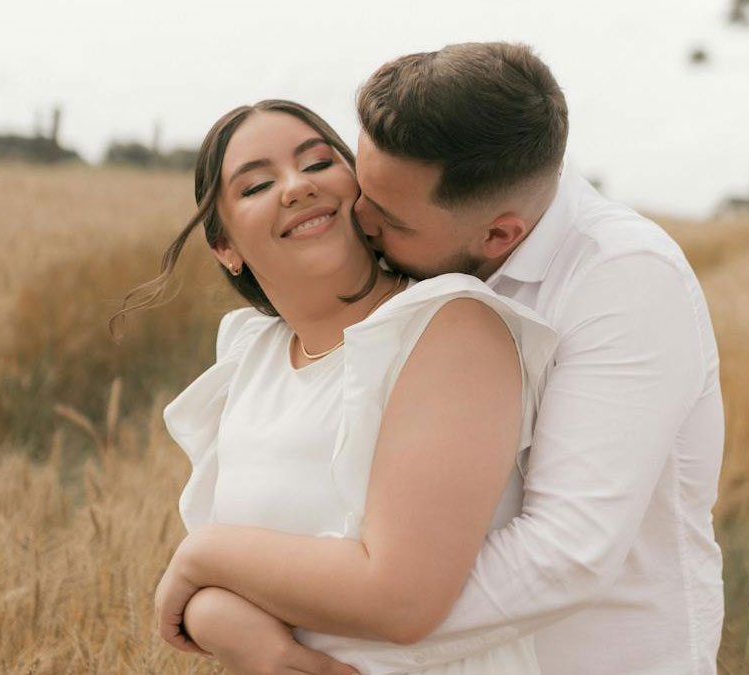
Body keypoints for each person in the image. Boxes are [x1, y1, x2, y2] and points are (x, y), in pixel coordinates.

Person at [154, 42, 726, 675]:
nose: (359, 218)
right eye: (363, 186)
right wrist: (222, 613)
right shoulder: (266, 348)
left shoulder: (618, 280)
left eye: (389, 216)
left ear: (498, 236)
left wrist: (287, 639)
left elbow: (566, 553)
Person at [115, 97, 561, 674]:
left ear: (362, 187)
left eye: (319, 163)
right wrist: (238, 633)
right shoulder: (252, 357)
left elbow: (402, 598)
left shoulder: (446, 328)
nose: (297, 187)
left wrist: (198, 558)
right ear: (224, 248)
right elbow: (218, 588)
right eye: (255, 186)